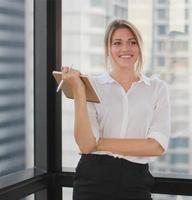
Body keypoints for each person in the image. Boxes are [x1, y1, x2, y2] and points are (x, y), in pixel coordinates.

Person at [61, 19, 171, 200]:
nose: (125, 49)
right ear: (108, 49)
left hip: (136, 181)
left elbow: (156, 146)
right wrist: (79, 91)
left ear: (139, 47)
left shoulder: (157, 88)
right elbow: (84, 144)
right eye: (117, 43)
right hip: (92, 180)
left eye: (132, 42)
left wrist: (98, 143)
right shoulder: (93, 85)